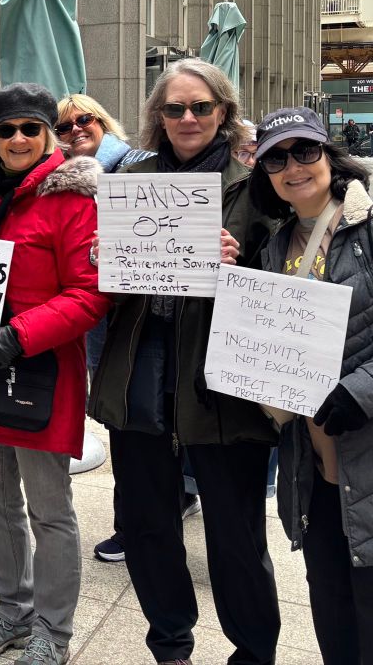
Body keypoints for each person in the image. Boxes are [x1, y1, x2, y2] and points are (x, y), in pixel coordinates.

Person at [88, 58, 280, 665]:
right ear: (157, 117)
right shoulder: (134, 175)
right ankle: (169, 643)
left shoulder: (257, 182)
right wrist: (102, 254)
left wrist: (241, 264)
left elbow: (294, 275)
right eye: (175, 108)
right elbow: (110, 287)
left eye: (201, 106)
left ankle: (252, 652)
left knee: (236, 533)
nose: (188, 118)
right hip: (140, 375)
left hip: (222, 382)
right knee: (147, 524)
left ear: (224, 111)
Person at [0, 83, 109, 665]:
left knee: (50, 509)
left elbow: (90, 295)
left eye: (29, 129)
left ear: (48, 134)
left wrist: (23, 333)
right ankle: (12, 608)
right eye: (6, 130)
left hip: (37, 372)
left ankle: (54, 632)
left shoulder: (74, 198)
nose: (17, 139)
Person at [249, 108, 373, 664]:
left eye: (305, 151)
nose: (293, 166)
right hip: (314, 468)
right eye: (277, 157)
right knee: (333, 611)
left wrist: (360, 391)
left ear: (330, 155)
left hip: (366, 457)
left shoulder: (369, 227)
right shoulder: (275, 247)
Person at [54, 94, 163, 565]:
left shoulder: (138, 166)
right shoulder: (58, 182)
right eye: (64, 126)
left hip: (145, 317)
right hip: (97, 320)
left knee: (140, 422)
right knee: (125, 420)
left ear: (103, 121)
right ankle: (152, 511)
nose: (76, 130)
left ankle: (138, 524)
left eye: (85, 120)